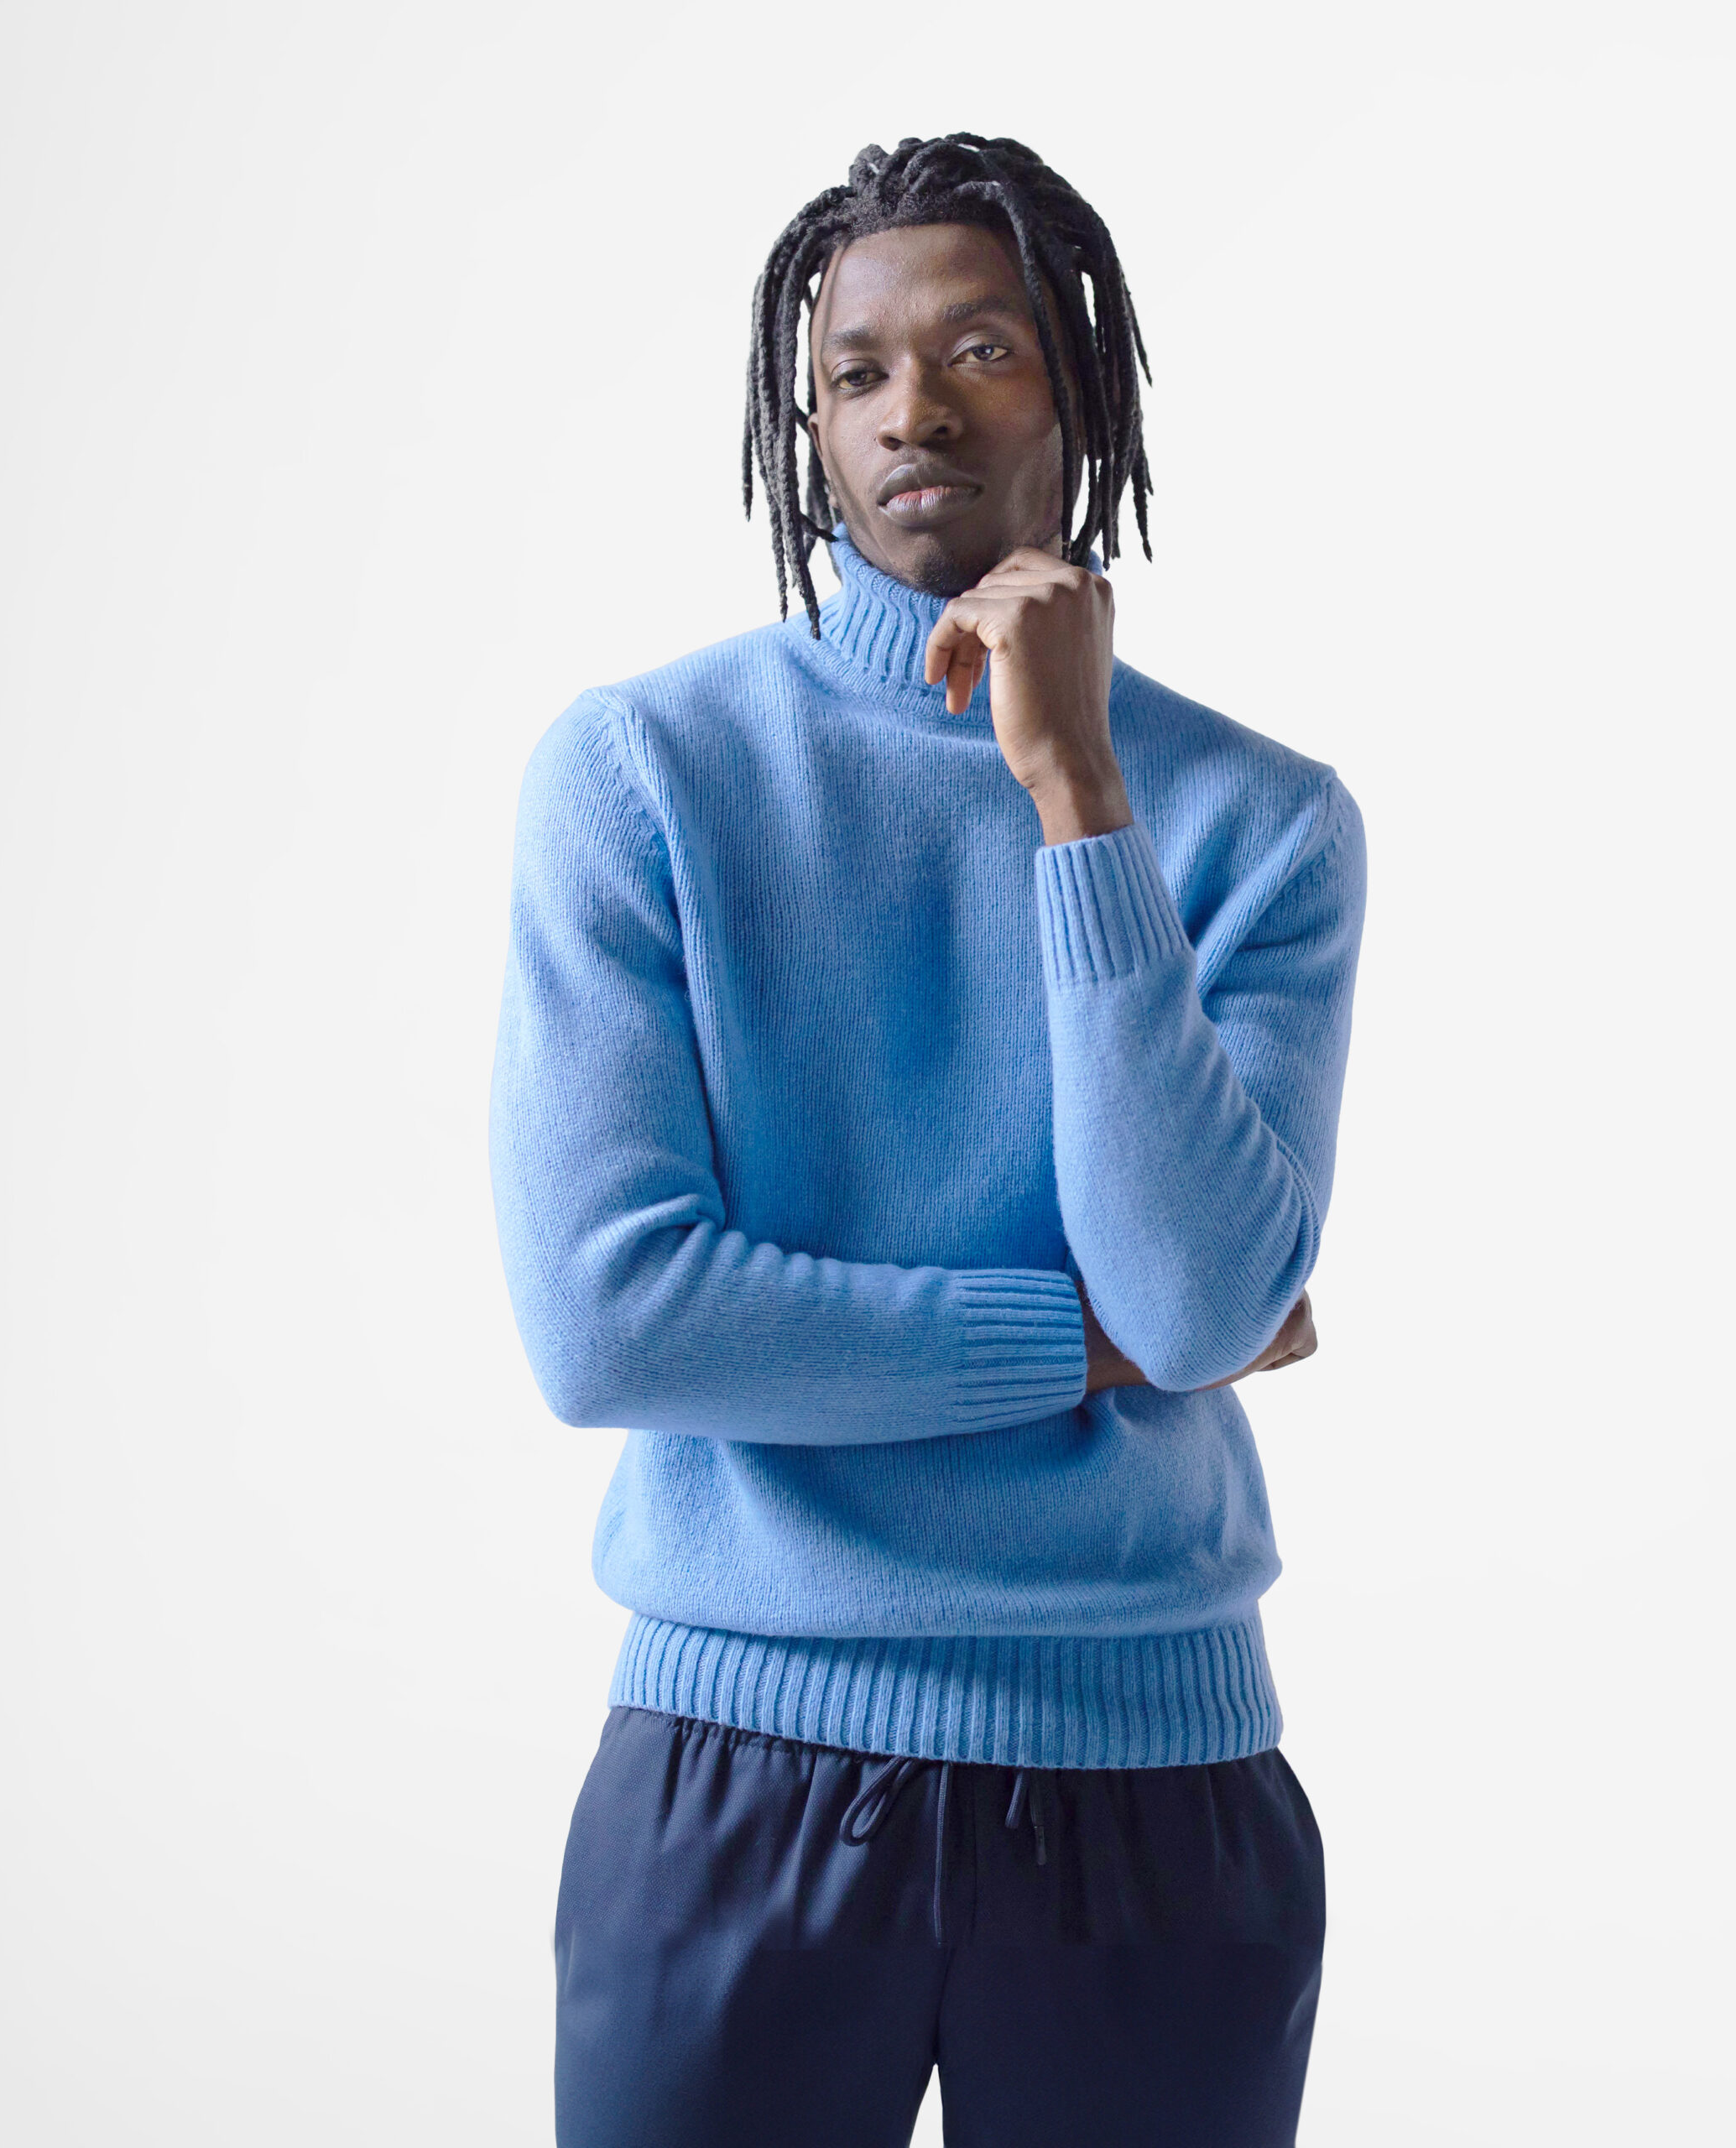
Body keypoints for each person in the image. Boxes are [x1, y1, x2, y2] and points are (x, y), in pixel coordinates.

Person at [490, 132, 1367, 2148]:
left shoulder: (1261, 823)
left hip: (1151, 1780)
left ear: (1079, 388)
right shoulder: (641, 774)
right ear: (803, 426)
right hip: (736, 1758)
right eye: (855, 371)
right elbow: (611, 1321)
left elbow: (1193, 1295)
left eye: (978, 349)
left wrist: (1074, 793)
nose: (913, 413)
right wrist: (1076, 1344)